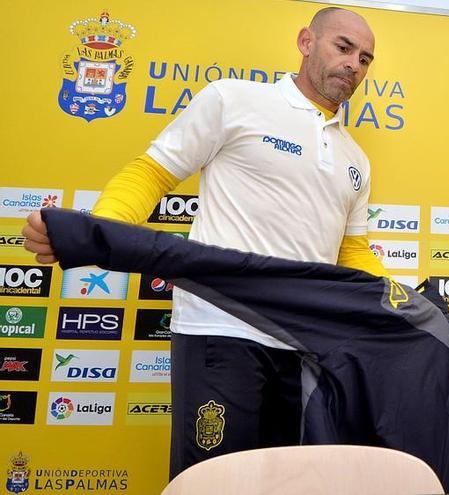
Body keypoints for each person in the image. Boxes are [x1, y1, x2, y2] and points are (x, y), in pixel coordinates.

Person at [22, 6, 388, 479]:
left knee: (282, 484)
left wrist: (406, 305)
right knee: (215, 482)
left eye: (365, 59)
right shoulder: (233, 100)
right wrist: (95, 235)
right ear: (305, 42)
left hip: (303, 345)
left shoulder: (355, 157)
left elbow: (351, 254)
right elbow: (151, 174)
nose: (354, 65)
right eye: (343, 48)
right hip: (221, 331)